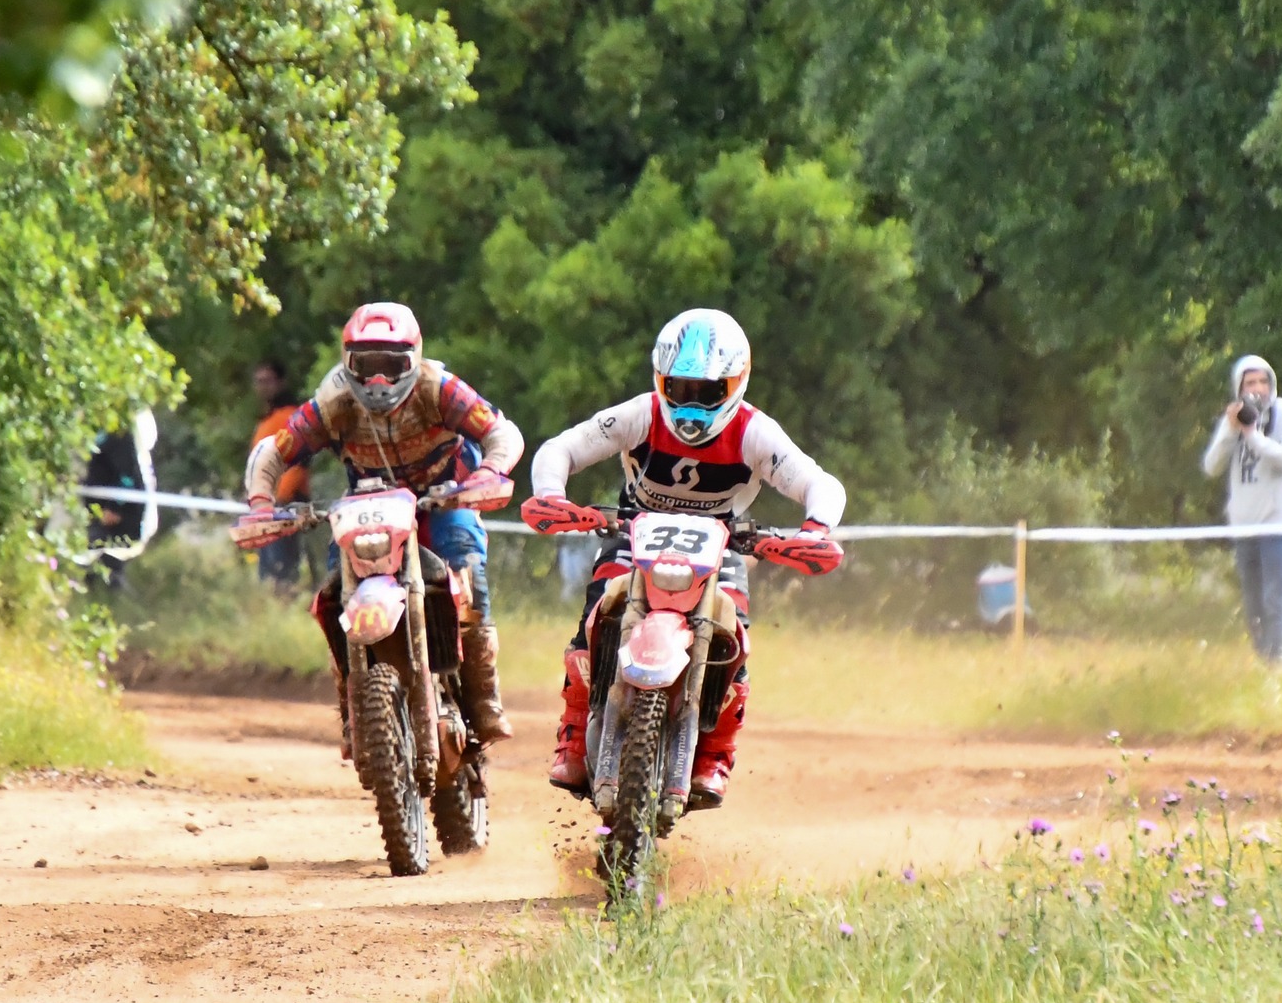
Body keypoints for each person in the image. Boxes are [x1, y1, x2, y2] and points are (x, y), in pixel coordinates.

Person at [520, 308, 846, 809]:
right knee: (591, 624)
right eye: (680, 388)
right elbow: (562, 448)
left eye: (707, 392)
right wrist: (552, 494)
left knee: (734, 644)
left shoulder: (754, 431)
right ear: (661, 380)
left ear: (735, 383)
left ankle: (715, 752)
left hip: (724, 548)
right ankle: (572, 736)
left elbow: (817, 482)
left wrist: (816, 527)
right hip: (633, 533)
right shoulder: (641, 414)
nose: (691, 403)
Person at [233, 303, 523, 749]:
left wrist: (490, 472)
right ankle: (353, 707)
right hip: (370, 504)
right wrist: (260, 503)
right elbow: (274, 451)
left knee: (467, 567)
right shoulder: (331, 401)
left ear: (414, 358)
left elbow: (501, 432)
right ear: (348, 362)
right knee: (332, 591)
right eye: (366, 366)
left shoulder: (439, 387)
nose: (378, 380)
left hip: (443, 495)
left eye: (391, 365)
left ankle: (484, 696)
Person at [1201, 355, 1282, 664]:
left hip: (1278, 522)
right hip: (1244, 524)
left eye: (1263, 381)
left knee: (1275, 600)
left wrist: (1253, 435)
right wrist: (1231, 430)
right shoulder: (1233, 418)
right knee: (1252, 603)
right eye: (1250, 383)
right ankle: (1261, 659)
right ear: (1239, 387)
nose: (1257, 389)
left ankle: (1277, 665)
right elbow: (1211, 467)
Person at [248, 359, 310, 590]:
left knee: (282, 567)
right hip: (266, 504)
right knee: (269, 570)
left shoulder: (290, 415)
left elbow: (299, 461)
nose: (263, 386)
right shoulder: (269, 418)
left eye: (268, 381)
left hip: (284, 502)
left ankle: (287, 604)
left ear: (280, 382)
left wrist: (281, 496)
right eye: (259, 382)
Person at [80, 409, 159, 590]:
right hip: (108, 513)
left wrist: (114, 507)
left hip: (126, 521)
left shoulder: (121, 439)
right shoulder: (108, 436)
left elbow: (128, 479)